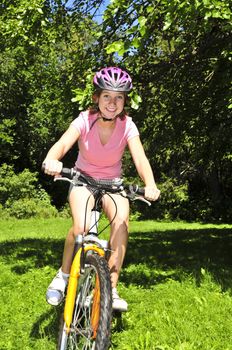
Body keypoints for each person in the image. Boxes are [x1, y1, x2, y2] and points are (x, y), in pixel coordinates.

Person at [42, 66, 160, 312]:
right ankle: (63, 277)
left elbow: (140, 159)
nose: (112, 102)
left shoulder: (128, 125)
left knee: (121, 222)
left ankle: (111, 288)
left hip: (113, 185)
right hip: (82, 180)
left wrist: (150, 184)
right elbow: (63, 143)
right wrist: (52, 159)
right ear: (96, 97)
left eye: (119, 97)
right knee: (82, 227)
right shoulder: (85, 119)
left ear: (125, 101)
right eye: (107, 96)